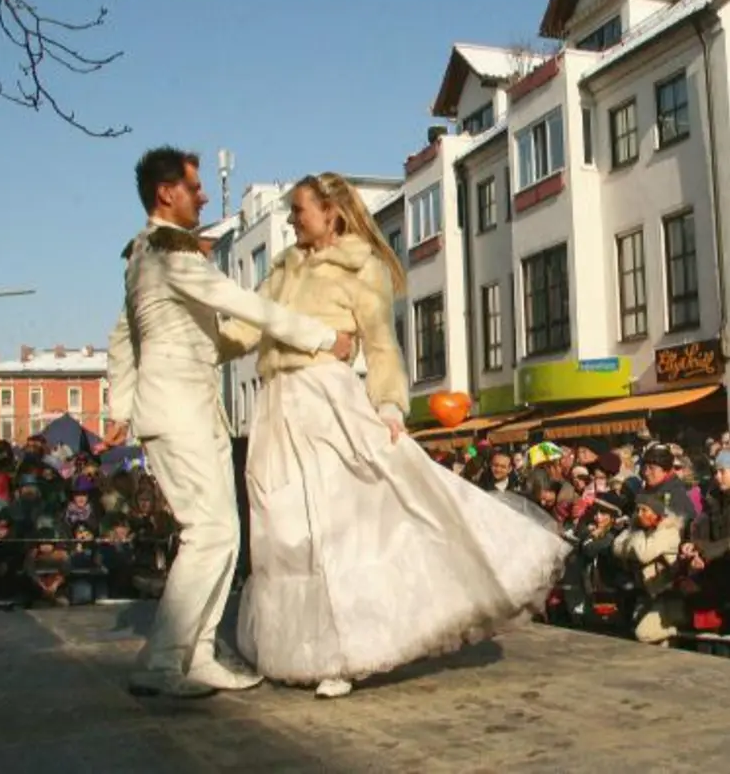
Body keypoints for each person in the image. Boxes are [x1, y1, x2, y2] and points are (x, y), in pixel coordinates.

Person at [222, 172, 569, 699]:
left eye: (299, 210)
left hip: (325, 398)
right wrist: (194, 340)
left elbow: (381, 343)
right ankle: (293, 649)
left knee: (340, 524)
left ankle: (344, 654)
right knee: (285, 528)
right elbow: (245, 329)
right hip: (276, 406)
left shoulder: (363, 267)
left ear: (330, 212)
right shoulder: (283, 268)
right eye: (291, 211)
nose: (292, 220)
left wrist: (388, 405)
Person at [106, 147, 355, 699]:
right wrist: (324, 337)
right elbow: (248, 306)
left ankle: (195, 655)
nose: (200, 196)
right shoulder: (170, 254)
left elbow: (123, 337)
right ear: (165, 193)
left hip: (189, 408)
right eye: (194, 188)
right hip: (180, 409)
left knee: (222, 534)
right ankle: (165, 660)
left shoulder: (141, 256)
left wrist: (121, 410)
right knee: (212, 533)